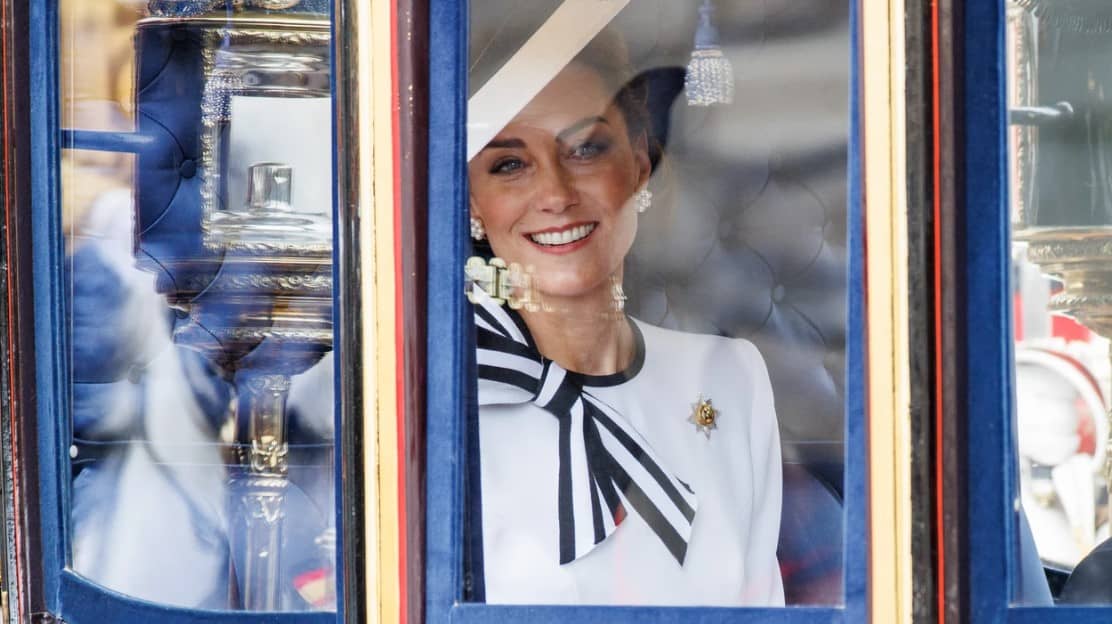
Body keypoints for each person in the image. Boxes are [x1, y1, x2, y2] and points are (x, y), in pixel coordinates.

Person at [466, 26, 785, 606]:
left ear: (639, 162)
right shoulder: (439, 398)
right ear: (472, 203)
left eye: (585, 148)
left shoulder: (731, 377)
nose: (556, 193)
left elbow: (762, 608)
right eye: (510, 164)